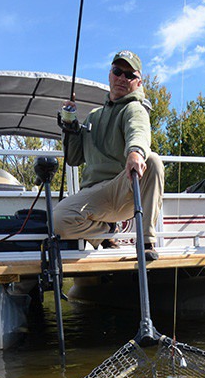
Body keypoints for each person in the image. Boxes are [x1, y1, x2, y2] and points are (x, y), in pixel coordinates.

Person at [53, 50, 164, 261]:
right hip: (96, 195)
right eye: (117, 71)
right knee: (57, 219)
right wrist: (69, 125)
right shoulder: (94, 115)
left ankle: (147, 242)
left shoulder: (134, 109)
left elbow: (138, 131)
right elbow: (73, 158)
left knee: (154, 161)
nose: (122, 78)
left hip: (124, 188)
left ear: (138, 82)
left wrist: (135, 152)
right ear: (110, 74)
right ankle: (104, 234)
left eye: (130, 75)